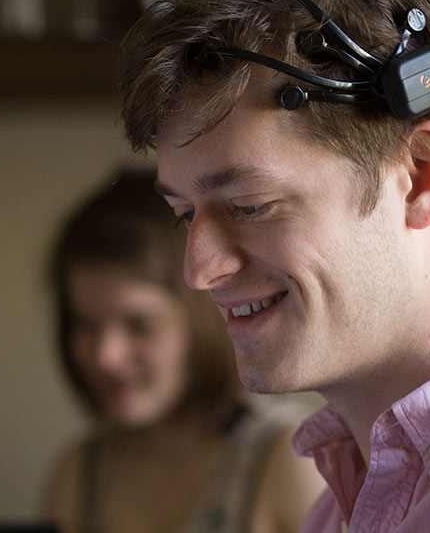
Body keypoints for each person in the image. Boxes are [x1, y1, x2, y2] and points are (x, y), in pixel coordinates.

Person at [117, 0, 430, 531]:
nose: (198, 271)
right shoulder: (337, 506)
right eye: (186, 214)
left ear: (418, 177)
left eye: (251, 205)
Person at [43, 168, 324, 533]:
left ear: (205, 315)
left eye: (139, 325)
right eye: (85, 324)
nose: (105, 357)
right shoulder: (81, 471)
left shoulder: (288, 457)